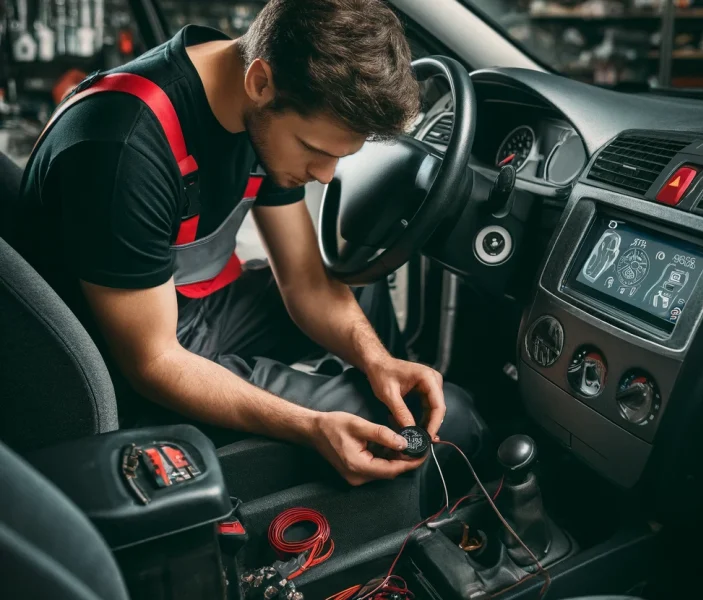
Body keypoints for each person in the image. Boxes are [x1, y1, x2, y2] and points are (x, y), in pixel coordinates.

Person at [15, 0, 489, 487]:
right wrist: (311, 426)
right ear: (261, 82)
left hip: (193, 311)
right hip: (136, 368)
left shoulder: (259, 105)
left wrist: (378, 362)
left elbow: (305, 280)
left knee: (357, 289)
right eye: (315, 151)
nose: (325, 177)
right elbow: (153, 363)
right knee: (455, 425)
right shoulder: (123, 149)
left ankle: (382, 409)